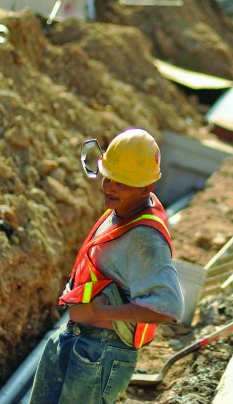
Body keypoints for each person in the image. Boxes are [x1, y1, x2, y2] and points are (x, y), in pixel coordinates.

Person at [30, 128, 184, 404]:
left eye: (121, 183)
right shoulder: (121, 212)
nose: (110, 187)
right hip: (77, 339)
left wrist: (104, 310)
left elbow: (169, 307)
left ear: (145, 188)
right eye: (108, 177)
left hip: (100, 352)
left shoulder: (146, 239)